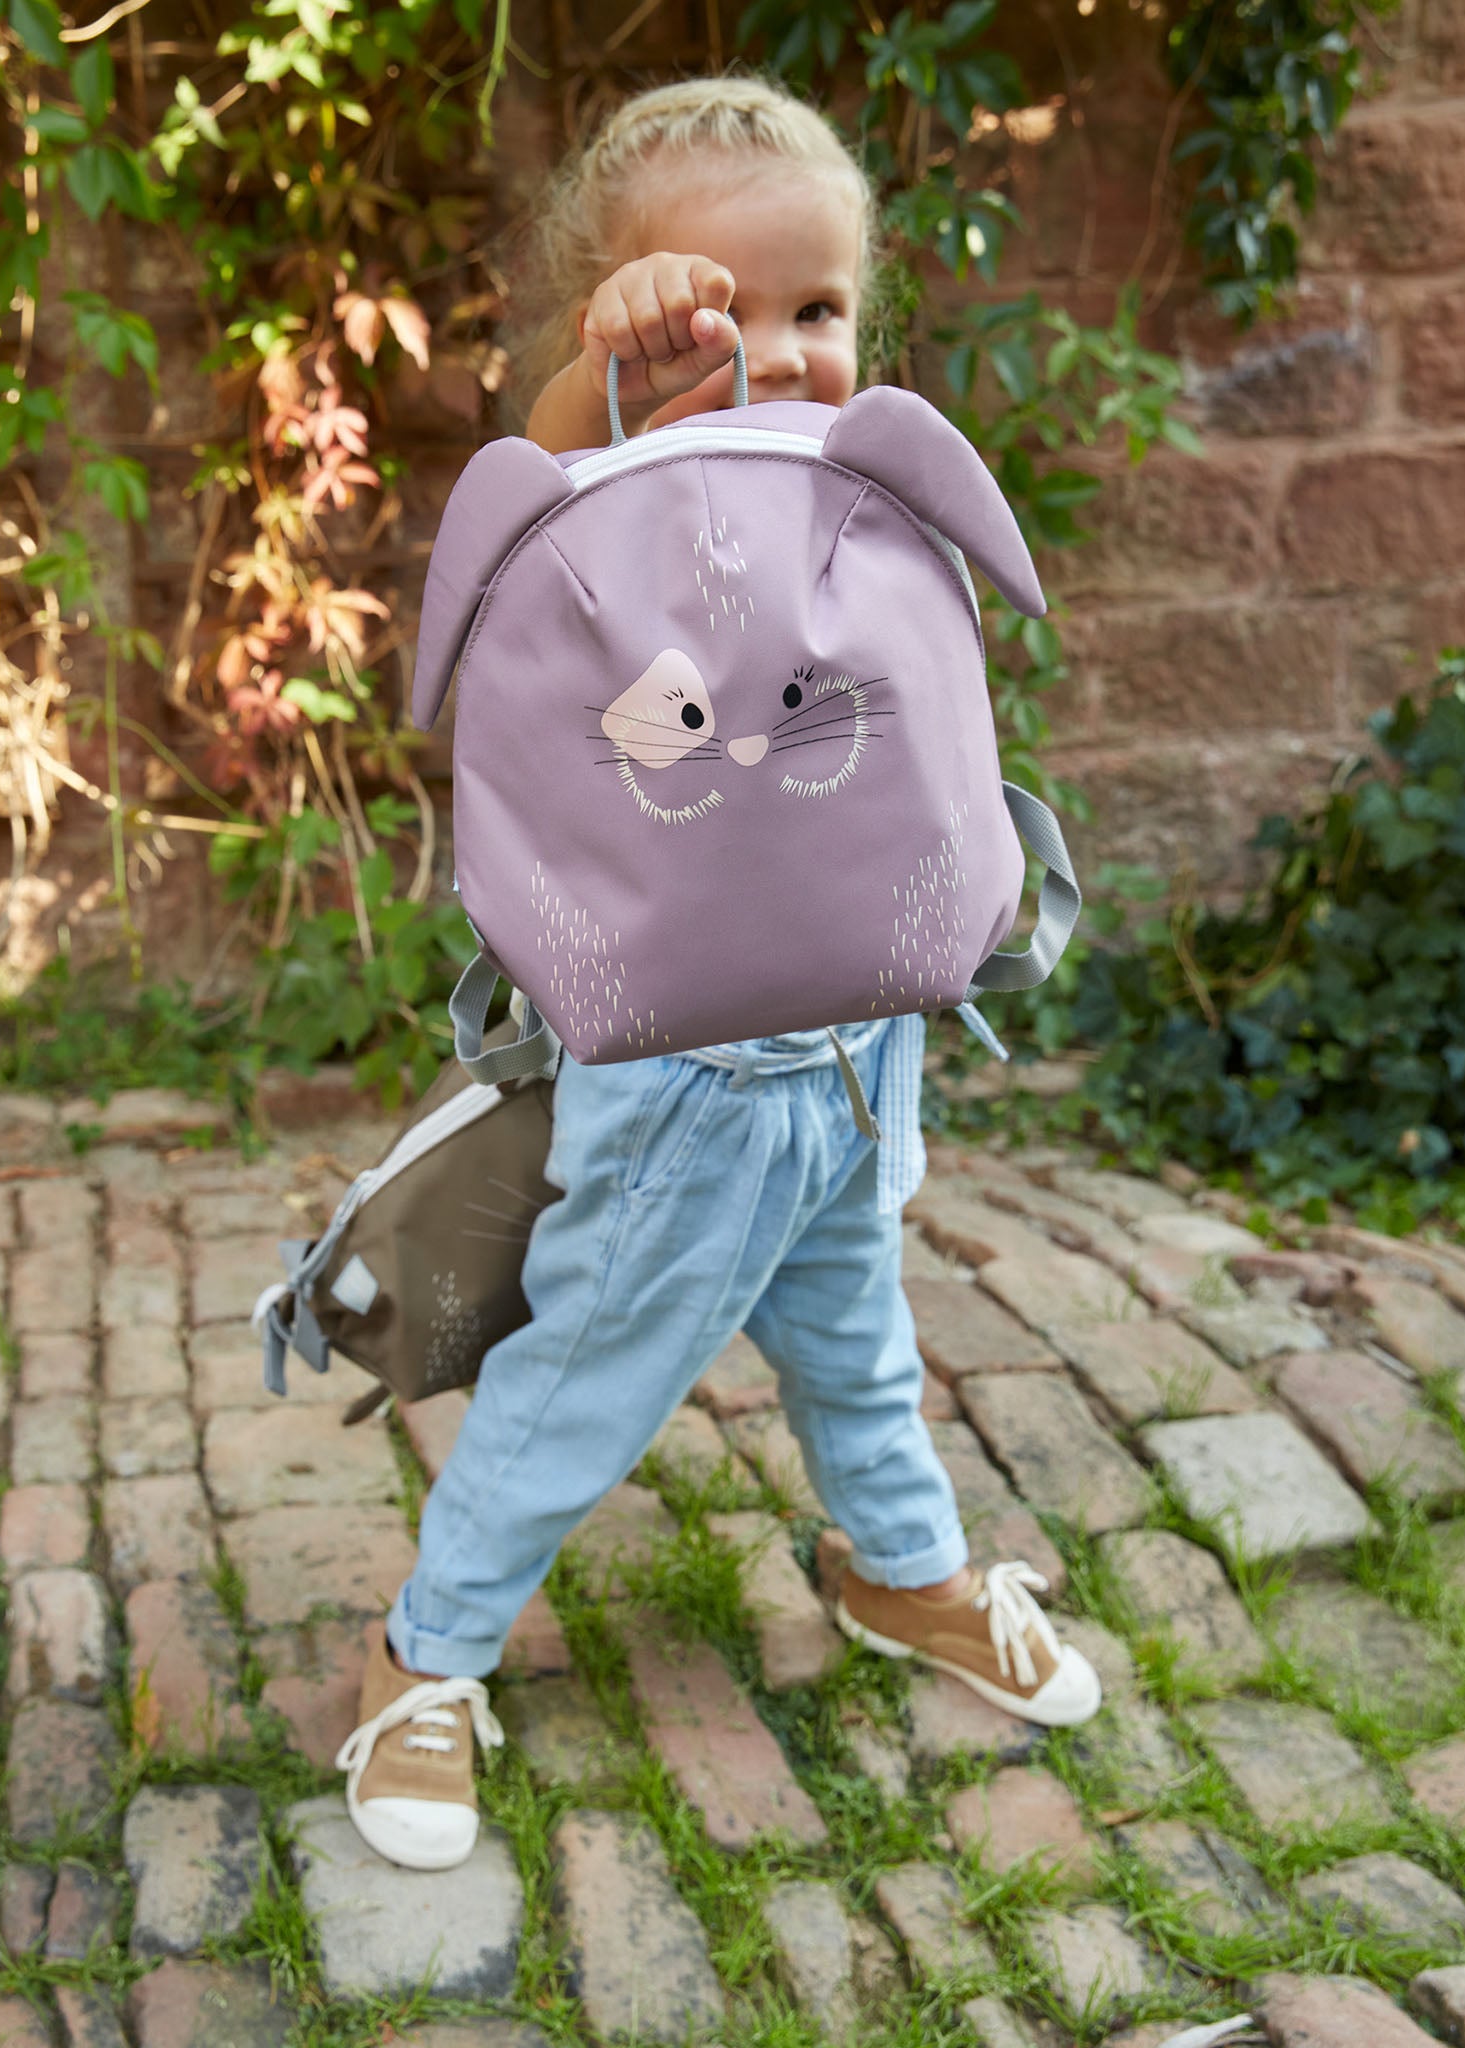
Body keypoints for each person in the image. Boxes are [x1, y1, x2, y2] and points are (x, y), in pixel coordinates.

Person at [333, 74, 1102, 1874]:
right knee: (592, 1364)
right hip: (679, 1073)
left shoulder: (851, 492)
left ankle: (894, 1566)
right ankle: (423, 1650)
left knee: (855, 1339)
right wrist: (602, 379)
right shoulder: (597, 502)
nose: (770, 351)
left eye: (815, 311)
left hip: (859, 1049)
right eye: (710, 311)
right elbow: (526, 475)